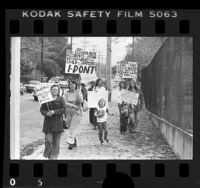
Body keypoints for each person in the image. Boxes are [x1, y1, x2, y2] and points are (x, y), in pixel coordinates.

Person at [40, 84, 66, 160]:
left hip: (58, 124)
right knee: (48, 140)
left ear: (58, 91)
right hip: (48, 124)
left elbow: (64, 109)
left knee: (56, 142)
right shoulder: (46, 99)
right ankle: (48, 153)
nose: (55, 91)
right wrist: (46, 113)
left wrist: (54, 112)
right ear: (50, 90)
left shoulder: (61, 99)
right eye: (53, 89)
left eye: (56, 90)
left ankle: (53, 157)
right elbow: (42, 109)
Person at [63, 80, 83, 149]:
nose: (72, 85)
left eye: (73, 84)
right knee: (69, 127)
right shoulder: (66, 92)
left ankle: (70, 143)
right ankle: (74, 141)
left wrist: (77, 94)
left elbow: (81, 101)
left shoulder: (78, 92)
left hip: (76, 113)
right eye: (70, 84)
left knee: (73, 127)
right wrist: (73, 105)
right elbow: (64, 102)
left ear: (75, 85)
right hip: (68, 112)